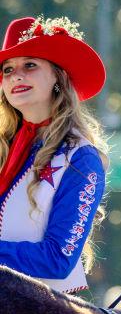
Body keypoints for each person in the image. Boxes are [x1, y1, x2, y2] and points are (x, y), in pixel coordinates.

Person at [0, 16, 107, 294]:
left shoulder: (81, 159)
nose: (16, 76)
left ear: (58, 77)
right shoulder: (4, 148)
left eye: (30, 65)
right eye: (8, 69)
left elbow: (58, 259)